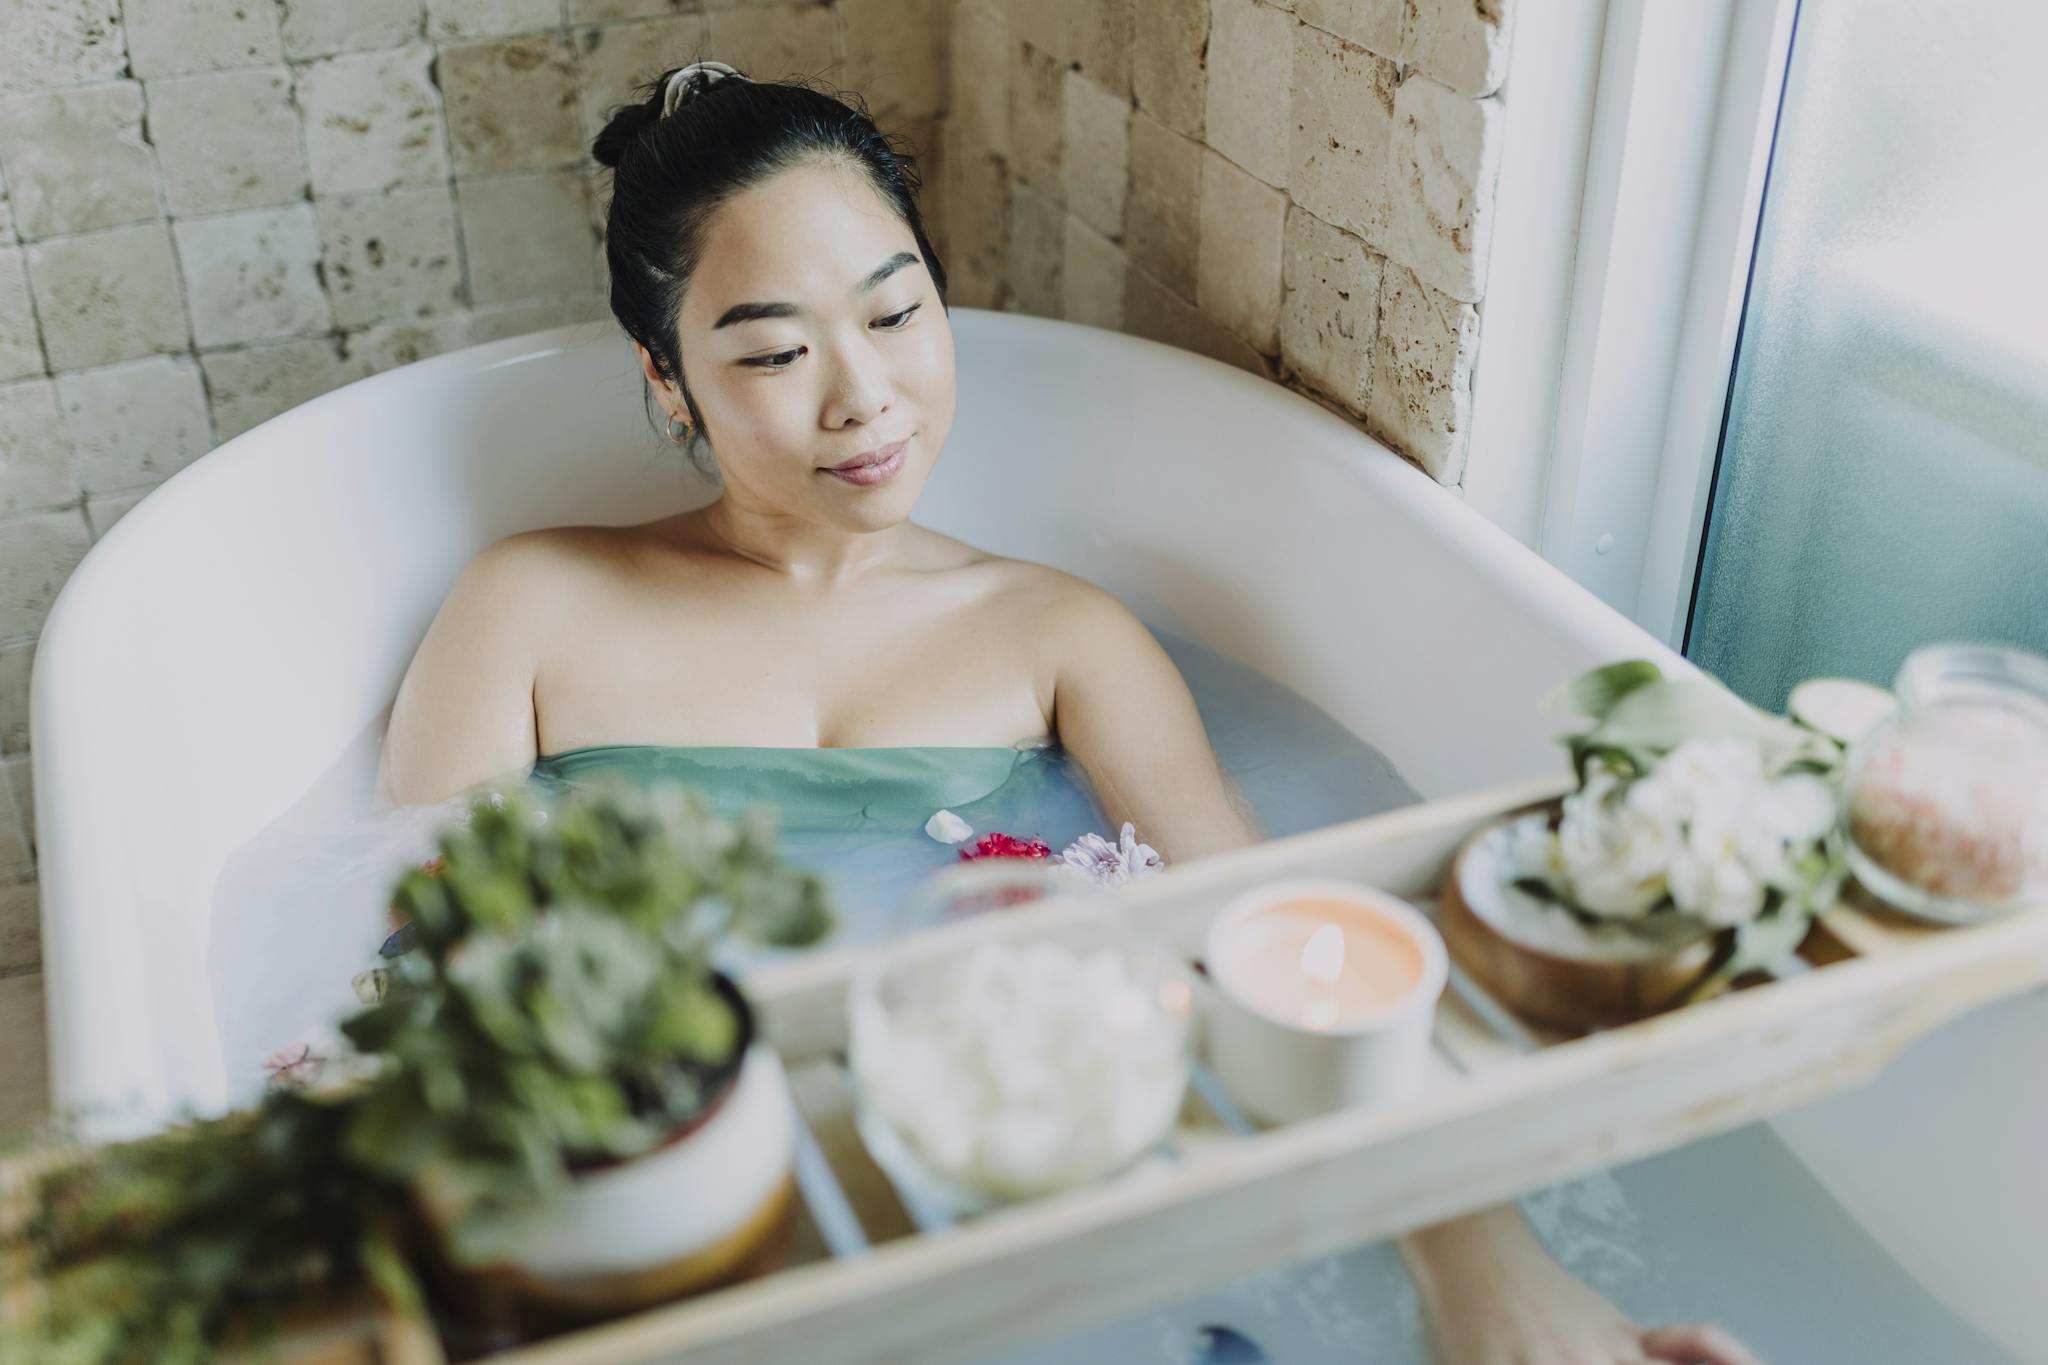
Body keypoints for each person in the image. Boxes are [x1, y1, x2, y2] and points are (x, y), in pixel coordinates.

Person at [375, 60, 1763, 1365]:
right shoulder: (530, 608)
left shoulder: (1058, 633)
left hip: (1012, 1202)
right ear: (665, 378)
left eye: (895, 309)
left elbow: (1269, 937)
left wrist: (1481, 1263)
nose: (865, 396)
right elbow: (387, 978)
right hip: (653, 1233)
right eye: (774, 351)